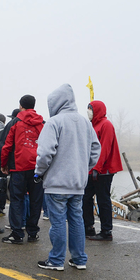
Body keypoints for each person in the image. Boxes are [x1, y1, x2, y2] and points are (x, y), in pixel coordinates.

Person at [35, 84, 101, 270]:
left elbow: (45, 152)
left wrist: (39, 172)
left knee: (57, 223)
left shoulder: (54, 122)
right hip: (78, 183)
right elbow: (96, 149)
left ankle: (56, 261)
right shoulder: (85, 123)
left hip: (57, 183)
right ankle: (79, 260)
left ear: (55, 103)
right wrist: (84, 166)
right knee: (76, 221)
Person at [0, 96, 45, 244]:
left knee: (17, 199)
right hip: (37, 167)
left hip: (18, 166)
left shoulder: (15, 122)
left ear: (20, 106)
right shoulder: (42, 124)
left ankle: (17, 233)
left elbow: (6, 145)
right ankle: (33, 233)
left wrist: (4, 163)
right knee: (35, 200)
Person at [83, 100, 123, 241]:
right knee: (85, 197)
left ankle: (106, 231)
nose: (88, 111)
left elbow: (104, 149)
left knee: (103, 199)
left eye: (90, 109)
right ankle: (88, 226)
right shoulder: (93, 125)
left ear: (97, 110)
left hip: (103, 170)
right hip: (92, 169)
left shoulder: (106, 125)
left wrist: (97, 168)